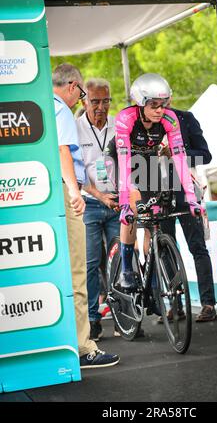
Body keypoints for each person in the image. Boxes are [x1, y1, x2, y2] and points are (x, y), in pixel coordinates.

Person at [53, 63, 119, 368]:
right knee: (84, 269)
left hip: (95, 201)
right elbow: (65, 151)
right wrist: (76, 190)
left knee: (104, 263)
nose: (94, 104)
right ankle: (84, 342)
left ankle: (91, 330)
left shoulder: (41, 105)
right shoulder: (65, 113)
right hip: (81, 200)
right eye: (84, 94)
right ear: (73, 87)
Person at [111, 73, 202, 291]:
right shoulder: (125, 118)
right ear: (140, 103)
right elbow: (123, 162)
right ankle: (126, 270)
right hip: (120, 161)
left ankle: (151, 281)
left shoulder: (170, 120)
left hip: (147, 161)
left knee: (154, 218)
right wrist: (124, 202)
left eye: (163, 104)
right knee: (132, 208)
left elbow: (180, 158)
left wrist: (192, 200)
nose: (160, 110)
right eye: (154, 105)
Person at [159, 109, 217, 322]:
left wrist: (176, 153)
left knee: (198, 248)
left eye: (163, 100)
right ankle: (176, 304)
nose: (159, 106)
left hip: (186, 193)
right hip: (158, 192)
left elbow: (205, 154)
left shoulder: (185, 118)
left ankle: (208, 304)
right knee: (165, 250)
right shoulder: (143, 122)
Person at [76, 78, 120, 341]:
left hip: (116, 202)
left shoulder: (118, 125)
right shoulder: (76, 128)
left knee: (120, 261)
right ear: (84, 101)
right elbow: (77, 174)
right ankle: (93, 319)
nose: (101, 107)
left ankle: (123, 311)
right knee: (92, 264)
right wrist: (100, 196)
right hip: (91, 203)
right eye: (95, 101)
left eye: (105, 101)